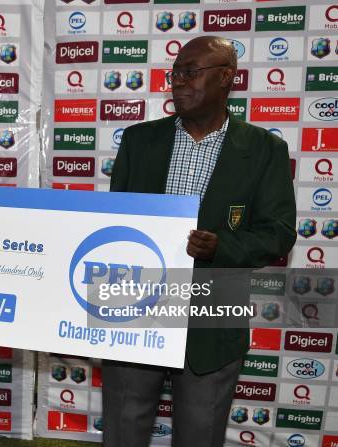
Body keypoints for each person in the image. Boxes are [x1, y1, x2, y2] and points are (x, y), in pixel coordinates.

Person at [102, 36, 296, 447]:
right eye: (175, 73)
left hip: (213, 316)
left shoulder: (265, 150)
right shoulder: (138, 141)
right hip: (135, 307)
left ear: (227, 77)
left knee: (199, 436)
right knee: (122, 431)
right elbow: (112, 225)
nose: (179, 82)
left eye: (192, 72)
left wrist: (221, 246)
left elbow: (278, 233)